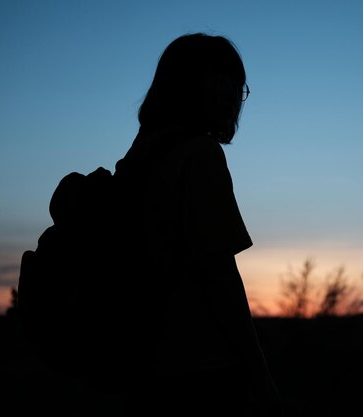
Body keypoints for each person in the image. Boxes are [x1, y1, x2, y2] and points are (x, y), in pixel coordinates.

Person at [111, 33, 282, 416]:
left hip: (140, 361)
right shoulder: (200, 154)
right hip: (200, 369)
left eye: (236, 83)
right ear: (186, 85)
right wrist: (262, 378)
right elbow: (219, 275)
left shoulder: (140, 153)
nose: (230, 93)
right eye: (216, 79)